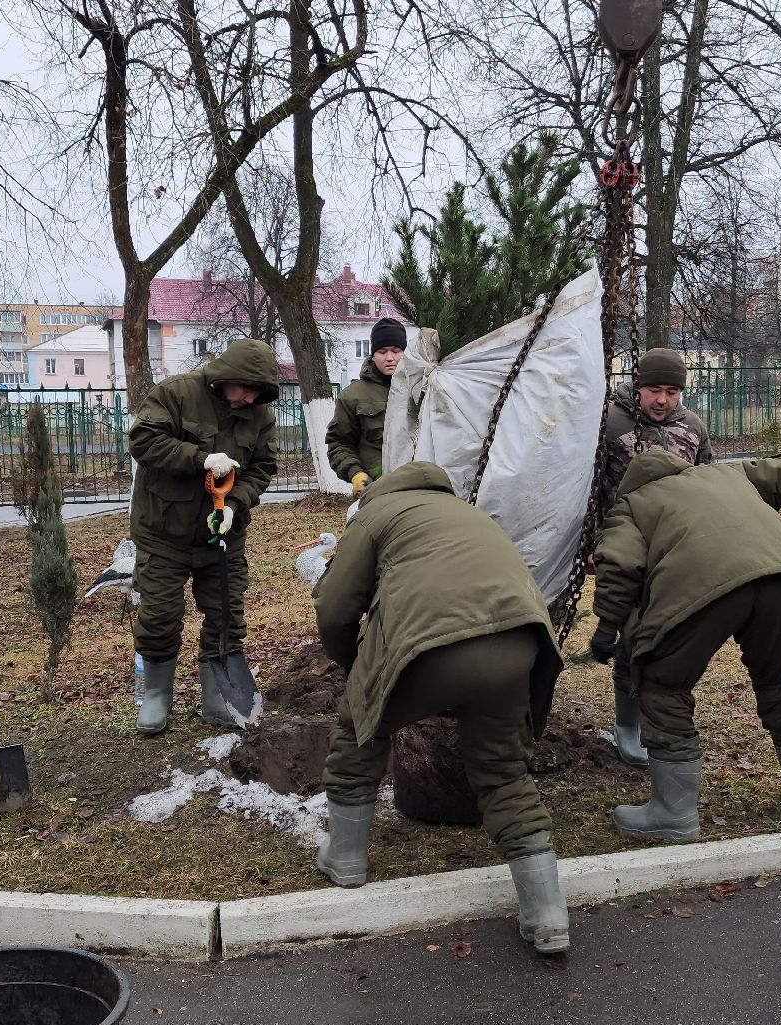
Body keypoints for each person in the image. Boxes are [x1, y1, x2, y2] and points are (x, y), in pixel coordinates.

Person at [312, 461, 570, 954]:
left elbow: (335, 607)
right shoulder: (468, 513)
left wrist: (355, 672)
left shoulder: (375, 514)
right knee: (502, 770)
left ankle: (344, 858)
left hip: (428, 646)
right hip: (518, 643)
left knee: (360, 730)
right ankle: (547, 912)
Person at [589, 451, 781, 838]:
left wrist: (606, 626)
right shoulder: (730, 473)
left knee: (664, 686)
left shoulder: (631, 505)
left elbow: (619, 562)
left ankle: (674, 815)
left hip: (700, 589)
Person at [125, 338, 280, 735]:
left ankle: (216, 697)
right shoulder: (176, 394)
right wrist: (200, 459)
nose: (250, 398)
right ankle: (157, 694)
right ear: (227, 376)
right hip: (164, 531)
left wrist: (234, 505)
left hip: (222, 536)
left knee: (226, 615)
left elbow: (262, 468)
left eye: (259, 392)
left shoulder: (260, 417)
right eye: (247, 388)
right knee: (159, 616)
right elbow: (143, 441)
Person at [595, 347, 713, 767]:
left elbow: (708, 482)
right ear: (638, 387)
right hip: (627, 546)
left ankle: (659, 717)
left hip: (676, 550)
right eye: (654, 390)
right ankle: (627, 723)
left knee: (672, 636)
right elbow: (588, 488)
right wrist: (594, 543)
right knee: (632, 636)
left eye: (672, 392)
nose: (662, 400)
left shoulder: (692, 427)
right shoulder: (611, 423)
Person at [327, 317, 406, 497]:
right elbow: (339, 443)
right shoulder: (353, 396)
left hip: (419, 487)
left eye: (396, 351)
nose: (389, 358)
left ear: (405, 352)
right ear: (372, 355)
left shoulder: (421, 390)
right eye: (382, 351)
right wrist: (355, 473)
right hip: (375, 490)